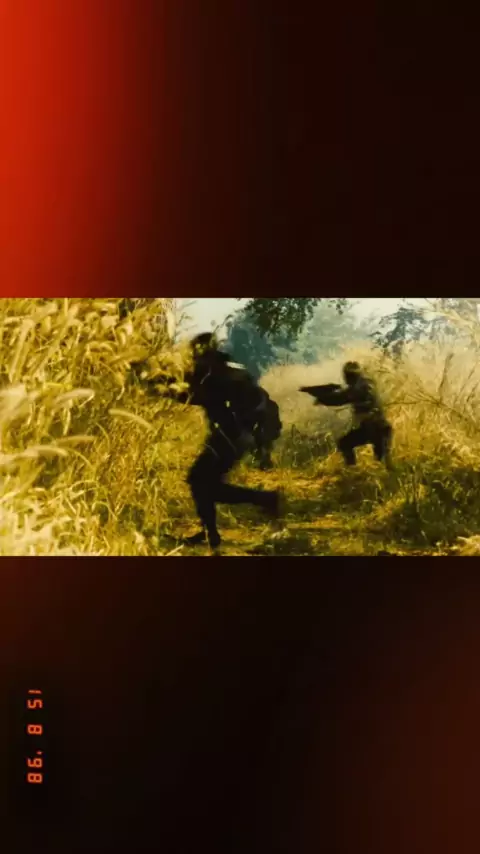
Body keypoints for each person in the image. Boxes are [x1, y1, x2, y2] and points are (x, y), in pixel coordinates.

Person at [136, 333, 283, 551]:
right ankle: (212, 532)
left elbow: (193, 393)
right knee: (203, 483)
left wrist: (155, 387)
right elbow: (190, 387)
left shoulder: (214, 371)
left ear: (201, 350)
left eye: (194, 351)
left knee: (201, 482)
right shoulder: (226, 368)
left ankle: (263, 500)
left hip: (231, 435)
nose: (192, 355)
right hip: (235, 435)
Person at [300, 361, 393, 469]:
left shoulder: (360, 388)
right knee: (345, 444)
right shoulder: (365, 382)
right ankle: (352, 471)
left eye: (348, 376)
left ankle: (353, 470)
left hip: (378, 430)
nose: (346, 379)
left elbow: (340, 398)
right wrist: (314, 391)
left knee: (382, 464)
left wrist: (322, 399)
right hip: (374, 430)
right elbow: (339, 393)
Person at [251, 390, 282, 470]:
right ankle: (265, 462)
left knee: (264, 446)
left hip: (267, 430)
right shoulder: (271, 404)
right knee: (264, 447)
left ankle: (264, 462)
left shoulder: (269, 406)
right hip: (268, 429)